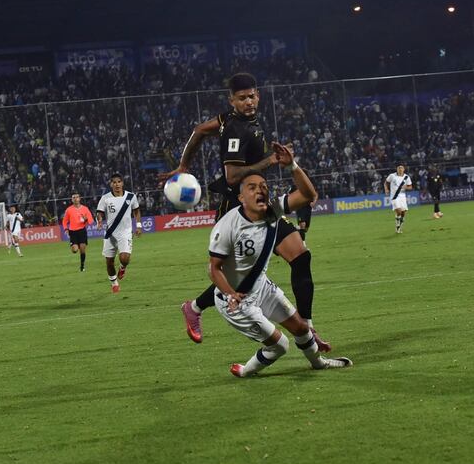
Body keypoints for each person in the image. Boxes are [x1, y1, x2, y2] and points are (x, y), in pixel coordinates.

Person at [159, 72, 330, 351]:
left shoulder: (230, 118)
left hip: (260, 202)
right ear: (232, 100)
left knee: (300, 256)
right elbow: (231, 176)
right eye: (241, 98)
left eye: (251, 96)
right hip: (238, 207)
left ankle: (307, 328)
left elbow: (200, 130)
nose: (248, 102)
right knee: (241, 277)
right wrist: (269, 161)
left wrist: (183, 165)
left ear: (258, 95)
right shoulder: (236, 129)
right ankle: (194, 307)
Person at [208, 165, 352, 377]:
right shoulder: (228, 225)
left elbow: (308, 195)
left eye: (264, 186)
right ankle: (246, 371)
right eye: (252, 187)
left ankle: (319, 363)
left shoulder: (273, 211)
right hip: (236, 302)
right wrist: (231, 294)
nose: (260, 190)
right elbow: (213, 268)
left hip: (262, 287)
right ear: (241, 197)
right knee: (280, 345)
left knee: (302, 328)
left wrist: (292, 166)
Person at [96, 173, 142, 293]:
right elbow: (99, 212)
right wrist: (99, 220)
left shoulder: (130, 197)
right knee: (109, 262)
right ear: (111, 184)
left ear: (122, 183)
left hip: (125, 232)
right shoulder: (105, 198)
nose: (117, 184)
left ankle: (123, 267)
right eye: (114, 182)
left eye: (119, 182)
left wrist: (138, 225)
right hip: (110, 233)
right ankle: (114, 282)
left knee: (124, 258)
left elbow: (136, 211)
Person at [61, 192, 95, 272]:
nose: (75, 199)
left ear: (80, 199)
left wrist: (86, 219)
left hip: (82, 231)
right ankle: (75, 245)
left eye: (77, 197)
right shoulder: (69, 210)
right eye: (74, 197)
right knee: (75, 250)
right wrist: (66, 229)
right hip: (73, 232)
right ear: (72, 200)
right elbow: (64, 221)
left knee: (82, 249)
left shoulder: (85, 209)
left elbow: (91, 221)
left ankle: (82, 266)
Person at [385, 164, 413, 233]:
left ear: (404, 169)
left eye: (401, 168)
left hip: (402, 197)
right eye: (399, 168)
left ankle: (399, 227)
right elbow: (386, 182)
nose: (400, 169)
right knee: (399, 211)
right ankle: (397, 225)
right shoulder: (392, 176)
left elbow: (410, 187)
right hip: (394, 196)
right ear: (397, 169)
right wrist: (386, 189)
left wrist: (405, 187)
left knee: (403, 213)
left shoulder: (406, 177)